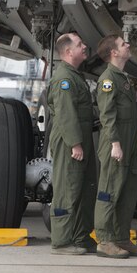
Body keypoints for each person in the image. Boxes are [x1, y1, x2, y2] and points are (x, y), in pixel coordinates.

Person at [94, 34, 137, 258]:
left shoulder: (122, 77)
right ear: (114, 53)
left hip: (129, 143)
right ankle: (104, 240)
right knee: (110, 191)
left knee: (127, 192)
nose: (128, 44)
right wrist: (115, 144)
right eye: (123, 43)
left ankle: (121, 238)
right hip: (116, 144)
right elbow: (107, 115)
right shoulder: (108, 79)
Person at [47, 32, 97, 255]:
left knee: (85, 188)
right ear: (68, 52)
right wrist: (75, 144)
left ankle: (81, 237)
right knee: (68, 188)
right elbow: (66, 115)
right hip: (70, 140)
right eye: (80, 44)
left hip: (81, 137)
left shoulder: (75, 75)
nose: (85, 46)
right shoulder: (63, 79)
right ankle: (62, 241)